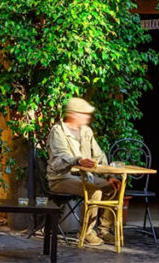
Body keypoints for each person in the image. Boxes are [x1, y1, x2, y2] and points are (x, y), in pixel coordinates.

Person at [47, 97, 121, 246]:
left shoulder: (86, 131)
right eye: (84, 114)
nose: (88, 117)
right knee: (95, 192)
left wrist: (109, 176)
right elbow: (61, 157)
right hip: (61, 178)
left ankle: (104, 230)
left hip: (85, 176)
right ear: (74, 114)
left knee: (113, 187)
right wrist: (78, 160)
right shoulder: (58, 131)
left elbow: (98, 155)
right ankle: (86, 232)